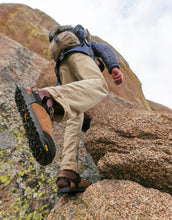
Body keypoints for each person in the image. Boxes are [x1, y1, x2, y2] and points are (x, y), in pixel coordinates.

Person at [15, 24, 123, 194]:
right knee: (99, 84)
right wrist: (113, 66)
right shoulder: (86, 45)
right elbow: (104, 48)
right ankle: (43, 99)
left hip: (59, 58)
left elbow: (67, 93)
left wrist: (59, 102)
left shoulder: (67, 58)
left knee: (74, 115)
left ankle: (68, 172)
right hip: (72, 46)